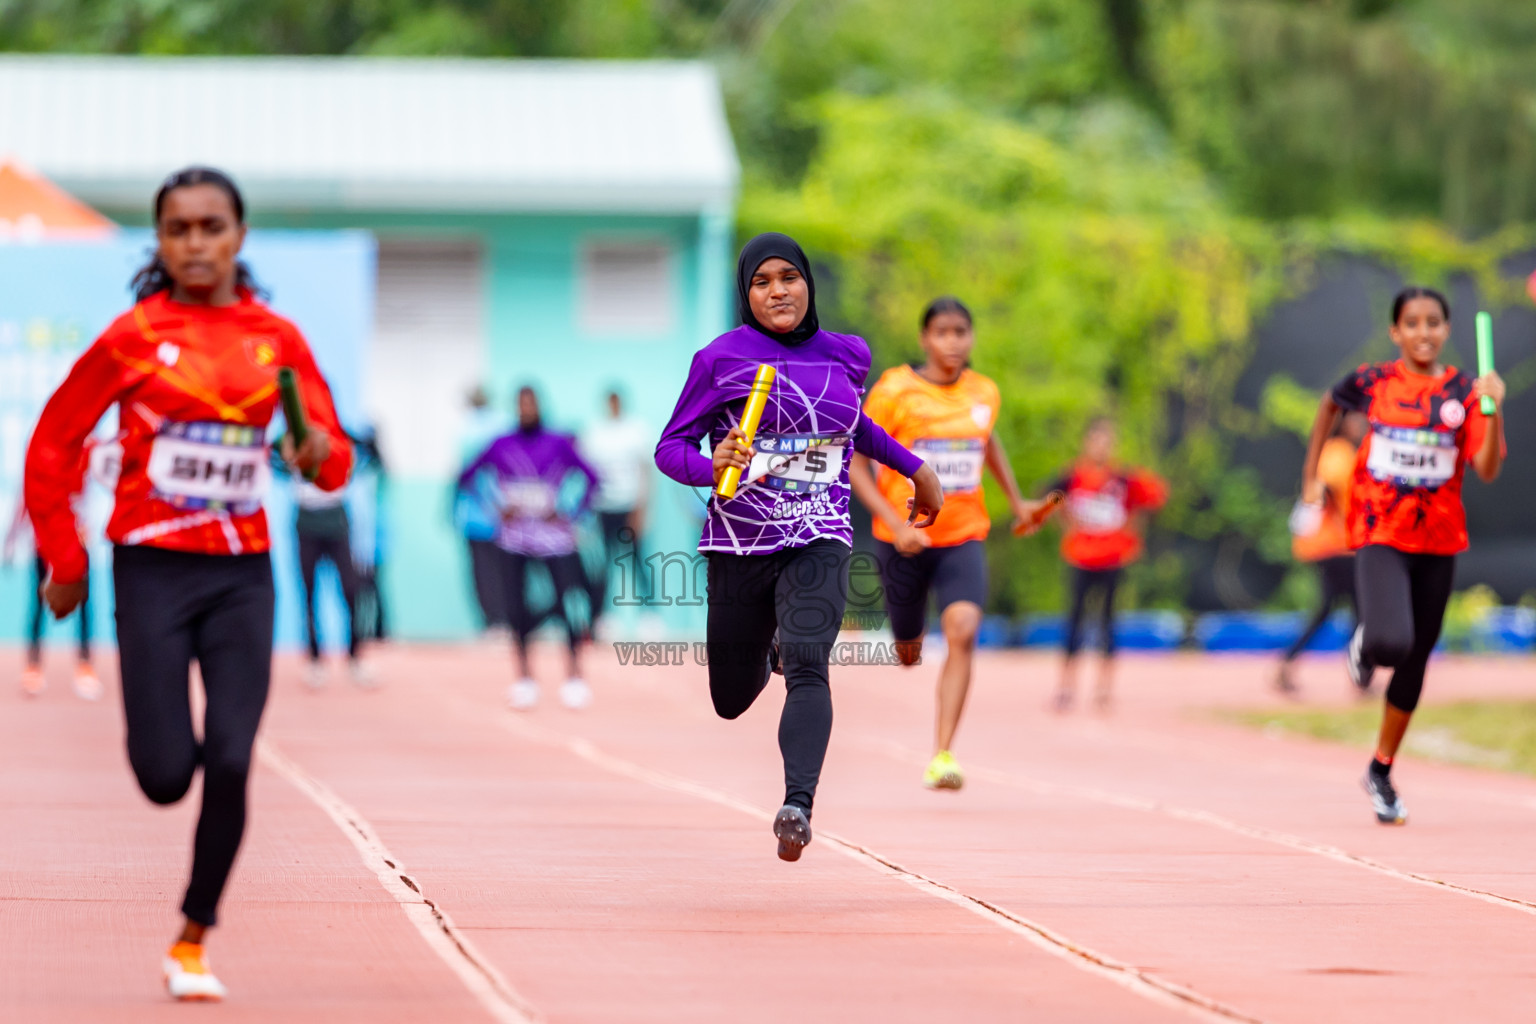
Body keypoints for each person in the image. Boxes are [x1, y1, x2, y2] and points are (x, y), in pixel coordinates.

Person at [24, 167, 351, 1001]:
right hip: (152, 571)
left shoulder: (277, 339)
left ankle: (194, 938)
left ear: (240, 237)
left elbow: (332, 457)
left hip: (242, 576)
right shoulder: (131, 336)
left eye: (212, 227)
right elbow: (53, 445)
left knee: (235, 759)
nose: (196, 243)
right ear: (161, 243)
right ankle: (177, 775)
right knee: (167, 774)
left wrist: (315, 453)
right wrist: (65, 559)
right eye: (179, 229)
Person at [655, 232, 944, 862]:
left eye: (789, 277)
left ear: (808, 283)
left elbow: (852, 425)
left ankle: (798, 805)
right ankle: (773, 650)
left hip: (820, 532)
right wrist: (712, 465)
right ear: (746, 294)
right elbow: (670, 447)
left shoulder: (846, 354)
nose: (777, 290)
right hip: (740, 542)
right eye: (762, 282)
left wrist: (915, 467)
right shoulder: (719, 360)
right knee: (731, 699)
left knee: (812, 662)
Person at [1301, 286, 1504, 825]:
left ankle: (1381, 770)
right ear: (1396, 332)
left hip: (1438, 540)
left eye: (1433, 322)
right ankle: (1366, 644)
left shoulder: (1465, 391)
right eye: (1411, 323)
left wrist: (1494, 409)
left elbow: (1486, 467)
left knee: (1415, 662)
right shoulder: (1374, 382)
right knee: (1393, 641)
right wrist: (1310, 476)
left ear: (1446, 330)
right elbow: (1328, 404)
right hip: (1379, 530)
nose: (1423, 332)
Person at [850, 296, 1054, 791]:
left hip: (963, 533)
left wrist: (1018, 501)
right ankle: (907, 643)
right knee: (907, 648)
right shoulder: (895, 391)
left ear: (971, 337)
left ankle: (942, 753)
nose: (952, 342)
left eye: (961, 332)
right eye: (942, 332)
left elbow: (987, 441)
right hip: (904, 541)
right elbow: (856, 459)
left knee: (962, 629)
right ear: (924, 338)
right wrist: (895, 526)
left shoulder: (983, 392)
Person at [460, 386, 599, 711]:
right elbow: (466, 476)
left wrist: (570, 511)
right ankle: (524, 679)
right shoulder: (501, 444)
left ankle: (575, 677)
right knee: (515, 606)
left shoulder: (559, 442)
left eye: (531, 404)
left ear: (540, 406)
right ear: (515, 408)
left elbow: (593, 478)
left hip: (555, 539)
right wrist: (494, 506)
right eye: (521, 405)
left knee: (568, 604)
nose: (526, 410)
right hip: (514, 538)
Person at [1047, 417, 1167, 712]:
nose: (1101, 446)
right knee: (1074, 622)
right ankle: (1066, 687)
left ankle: (1104, 690)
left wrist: (1132, 531)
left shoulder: (1123, 479)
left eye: (1107, 441)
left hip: (1113, 558)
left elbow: (1153, 498)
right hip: (1081, 557)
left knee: (1108, 623)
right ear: (1087, 442)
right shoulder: (1072, 477)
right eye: (1096, 440)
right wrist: (1068, 525)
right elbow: (1051, 501)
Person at [1277, 412, 1366, 696]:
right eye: (1355, 418)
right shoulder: (1337, 453)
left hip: (1340, 545)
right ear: (1342, 423)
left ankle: (1290, 663)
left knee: (1341, 609)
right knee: (1353, 610)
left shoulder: (1339, 452)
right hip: (1335, 546)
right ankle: (1359, 676)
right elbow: (1323, 490)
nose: (1361, 423)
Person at [6, 495, 100, 700]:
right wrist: (10, 543)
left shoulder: (80, 467)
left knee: (83, 604)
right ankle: (33, 667)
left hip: (76, 544)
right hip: (44, 545)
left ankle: (85, 666)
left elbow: (86, 502)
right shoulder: (37, 468)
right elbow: (24, 503)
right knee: (39, 604)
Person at [579, 389, 653, 632]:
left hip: (629, 505)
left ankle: (649, 615)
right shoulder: (594, 432)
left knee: (637, 560)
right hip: (603, 507)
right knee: (604, 563)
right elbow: (585, 473)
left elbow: (645, 471)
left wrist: (641, 508)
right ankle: (603, 617)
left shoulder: (636, 430)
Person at [289, 471, 370, 689]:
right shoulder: (296, 439)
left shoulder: (343, 438)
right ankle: (315, 659)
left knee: (351, 590)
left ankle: (355, 656)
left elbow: (372, 458)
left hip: (336, 521)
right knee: (308, 592)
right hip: (307, 521)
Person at [454, 385, 510, 635]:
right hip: (491, 512)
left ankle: (495, 620)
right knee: (495, 570)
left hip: (488, 512)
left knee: (486, 571)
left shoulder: (468, 429)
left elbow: (462, 474)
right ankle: (497, 620)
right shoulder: (501, 424)